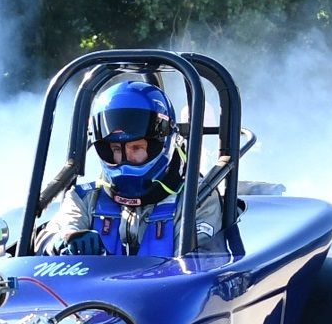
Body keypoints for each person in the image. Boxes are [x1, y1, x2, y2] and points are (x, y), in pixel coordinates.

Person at [35, 80, 222, 257]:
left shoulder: (197, 198)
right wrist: (65, 240)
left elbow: (201, 266)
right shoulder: (83, 199)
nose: (125, 159)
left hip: (165, 290)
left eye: (136, 148)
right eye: (116, 149)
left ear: (163, 144)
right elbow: (49, 236)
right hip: (95, 291)